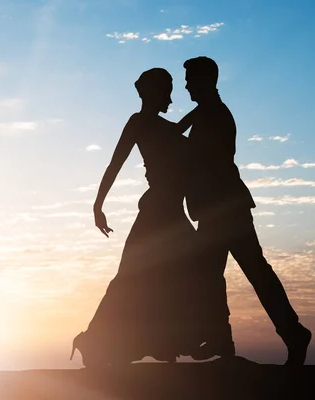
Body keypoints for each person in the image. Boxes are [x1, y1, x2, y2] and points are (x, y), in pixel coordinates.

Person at [69, 68, 234, 367]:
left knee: (170, 277)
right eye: (167, 90)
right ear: (152, 93)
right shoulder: (139, 123)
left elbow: (191, 124)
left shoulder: (168, 127)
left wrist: (209, 106)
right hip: (157, 213)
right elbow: (115, 163)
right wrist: (97, 205)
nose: (171, 97)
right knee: (138, 277)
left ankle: (172, 339)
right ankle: (97, 340)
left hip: (172, 212)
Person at [181, 56, 312, 366]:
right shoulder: (206, 111)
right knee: (218, 274)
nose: (185, 85)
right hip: (220, 208)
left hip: (223, 209)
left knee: (241, 273)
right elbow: (183, 132)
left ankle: (285, 333)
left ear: (204, 81)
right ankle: (226, 338)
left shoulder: (213, 114)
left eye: (190, 79)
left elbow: (202, 156)